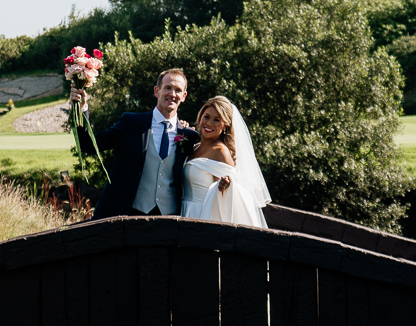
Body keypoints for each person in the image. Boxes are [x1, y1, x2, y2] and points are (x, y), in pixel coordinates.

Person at [72, 68, 195, 217]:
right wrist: (81, 108)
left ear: (184, 96)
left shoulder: (189, 136)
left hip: (170, 218)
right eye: (168, 88)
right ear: (157, 91)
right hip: (128, 214)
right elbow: (89, 145)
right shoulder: (131, 123)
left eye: (178, 90)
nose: (172, 94)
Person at [180, 95, 272, 227]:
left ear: (225, 125)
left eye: (217, 120)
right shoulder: (195, 146)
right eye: (206, 117)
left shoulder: (221, 152)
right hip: (183, 212)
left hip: (201, 216)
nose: (209, 123)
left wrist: (225, 185)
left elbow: (226, 196)